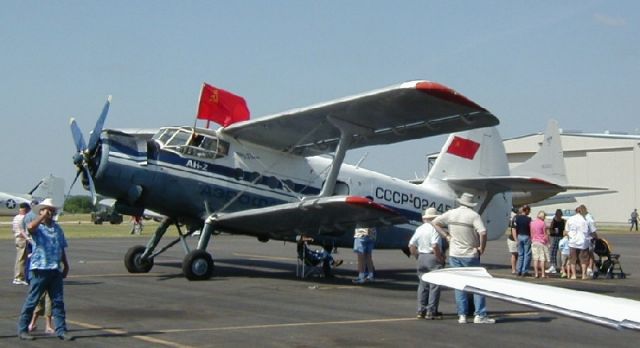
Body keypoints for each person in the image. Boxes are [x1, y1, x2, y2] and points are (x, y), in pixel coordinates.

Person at [433, 192, 495, 324]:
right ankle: (480, 314)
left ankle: (462, 314)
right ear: (471, 205)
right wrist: (481, 248)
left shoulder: (451, 213)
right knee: (478, 285)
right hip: (469, 253)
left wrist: (446, 236)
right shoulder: (473, 215)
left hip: (454, 253)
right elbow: (483, 232)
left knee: (459, 285)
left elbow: (435, 222)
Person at [17, 198, 74, 341]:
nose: (50, 213)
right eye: (46, 210)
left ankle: (61, 330)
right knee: (32, 301)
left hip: (54, 269)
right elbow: (30, 228)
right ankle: (23, 330)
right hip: (39, 269)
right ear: (40, 211)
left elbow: (61, 247)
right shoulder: (38, 227)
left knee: (58, 302)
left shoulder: (57, 228)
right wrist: (42, 216)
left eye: (52, 210)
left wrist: (65, 265)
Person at [408, 207, 444, 320]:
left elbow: (411, 245)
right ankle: (431, 311)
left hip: (422, 256)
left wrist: (417, 256)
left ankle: (421, 310)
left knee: (423, 285)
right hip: (432, 256)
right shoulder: (435, 229)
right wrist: (440, 258)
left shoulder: (419, 229)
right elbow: (435, 245)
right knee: (434, 286)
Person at [565, 205, 590, 280]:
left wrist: (570, 236)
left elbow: (566, 231)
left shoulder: (570, 219)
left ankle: (574, 275)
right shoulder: (585, 220)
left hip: (572, 242)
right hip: (583, 242)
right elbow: (587, 231)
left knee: (573, 259)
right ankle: (583, 275)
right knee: (583, 259)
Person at [12, 203, 31, 285]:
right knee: (22, 259)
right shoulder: (24, 218)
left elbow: (13, 229)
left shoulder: (16, 217)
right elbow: (26, 229)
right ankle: (19, 277)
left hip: (17, 238)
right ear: (26, 209)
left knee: (19, 258)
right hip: (22, 238)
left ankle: (18, 276)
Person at [511, 205, 532, 276]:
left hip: (519, 236)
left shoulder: (517, 218)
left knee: (520, 254)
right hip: (526, 236)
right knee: (527, 254)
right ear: (526, 211)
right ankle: (524, 270)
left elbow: (514, 228)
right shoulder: (529, 219)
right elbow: (531, 229)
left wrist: (515, 239)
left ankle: (519, 270)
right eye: (529, 210)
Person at [530, 211, 550, 278]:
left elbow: (531, 233)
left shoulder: (532, 223)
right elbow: (545, 233)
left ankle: (536, 273)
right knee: (542, 259)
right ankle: (543, 274)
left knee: (535, 259)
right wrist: (548, 242)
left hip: (534, 241)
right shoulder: (543, 223)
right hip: (541, 242)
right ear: (542, 217)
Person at [581, 205, 598, 277]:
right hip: (584, 238)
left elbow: (592, 229)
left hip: (589, 238)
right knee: (585, 254)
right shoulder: (582, 217)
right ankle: (587, 267)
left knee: (590, 253)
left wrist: (595, 237)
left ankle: (590, 267)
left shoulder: (589, 218)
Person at [547, 209, 565, 274]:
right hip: (561, 237)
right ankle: (561, 267)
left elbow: (550, 229)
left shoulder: (554, 221)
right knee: (561, 253)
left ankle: (553, 266)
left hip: (554, 237)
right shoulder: (563, 221)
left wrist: (553, 231)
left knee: (553, 252)